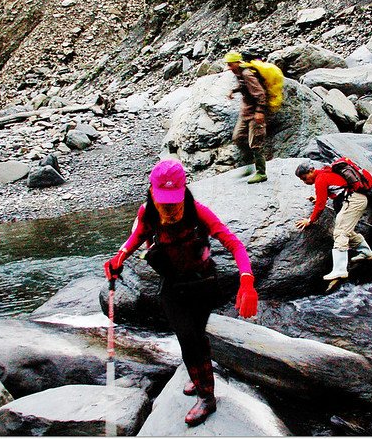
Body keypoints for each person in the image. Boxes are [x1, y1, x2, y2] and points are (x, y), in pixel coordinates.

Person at [103, 159, 258, 427]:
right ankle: (206, 393)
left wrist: (247, 281)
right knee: (188, 338)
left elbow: (235, 244)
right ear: (152, 192)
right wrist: (119, 258)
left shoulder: (199, 213)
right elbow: (136, 238)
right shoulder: (148, 213)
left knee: (195, 336)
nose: (170, 208)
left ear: (184, 189)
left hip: (203, 284)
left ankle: (202, 386)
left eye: (173, 201)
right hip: (173, 287)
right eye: (164, 201)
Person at [294, 160, 372, 281]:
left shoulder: (321, 178)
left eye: (305, 178)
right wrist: (317, 199)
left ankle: (340, 270)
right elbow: (332, 191)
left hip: (353, 201)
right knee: (347, 231)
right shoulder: (325, 173)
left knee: (340, 232)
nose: (305, 182)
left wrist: (310, 220)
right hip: (356, 199)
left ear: (311, 171)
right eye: (302, 180)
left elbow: (321, 205)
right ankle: (366, 252)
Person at [224, 51, 269, 184]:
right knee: (237, 137)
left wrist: (260, 111)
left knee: (255, 144)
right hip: (246, 113)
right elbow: (244, 86)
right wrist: (234, 90)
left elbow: (260, 94)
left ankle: (261, 173)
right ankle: (249, 165)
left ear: (237, 63)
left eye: (230, 64)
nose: (229, 67)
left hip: (255, 114)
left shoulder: (247, 74)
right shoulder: (239, 74)